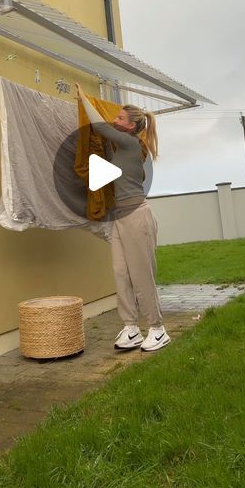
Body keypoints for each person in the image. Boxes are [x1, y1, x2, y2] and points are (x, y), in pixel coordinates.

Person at [74, 82, 171, 352]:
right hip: (120, 218)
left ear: (130, 127)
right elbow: (104, 137)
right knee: (121, 273)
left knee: (142, 276)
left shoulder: (130, 143)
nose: (114, 120)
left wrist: (83, 98)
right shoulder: (121, 150)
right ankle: (131, 328)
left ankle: (157, 328)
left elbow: (100, 127)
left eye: (119, 117)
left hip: (137, 218)